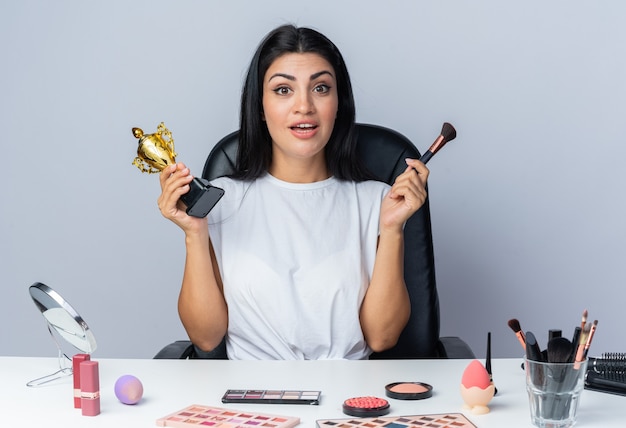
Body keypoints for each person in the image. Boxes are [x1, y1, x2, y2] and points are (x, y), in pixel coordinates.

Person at [157, 24, 429, 360]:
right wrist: (194, 233)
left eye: (320, 88)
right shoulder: (222, 200)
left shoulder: (378, 201)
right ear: (260, 106)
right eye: (284, 90)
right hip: (249, 399)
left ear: (339, 104)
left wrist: (392, 230)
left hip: (348, 399)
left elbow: (382, 337)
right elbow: (207, 338)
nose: (304, 106)